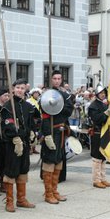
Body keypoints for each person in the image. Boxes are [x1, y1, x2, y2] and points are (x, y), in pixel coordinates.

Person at [1, 79, 37, 212]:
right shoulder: (8, 106)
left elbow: (31, 122)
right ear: (13, 89)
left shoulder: (28, 106)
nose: (20, 90)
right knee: (11, 170)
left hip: (25, 141)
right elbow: (7, 124)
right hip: (13, 143)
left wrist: (33, 132)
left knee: (23, 169)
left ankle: (21, 199)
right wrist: (15, 138)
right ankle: (9, 201)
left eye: (22, 88)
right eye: (18, 88)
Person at [40, 70, 73, 204]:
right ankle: (48, 193)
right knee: (49, 161)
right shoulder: (46, 96)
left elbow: (68, 111)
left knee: (59, 160)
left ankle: (54, 190)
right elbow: (45, 117)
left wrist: (60, 106)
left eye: (59, 78)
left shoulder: (65, 95)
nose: (57, 81)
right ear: (51, 80)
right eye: (54, 78)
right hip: (51, 132)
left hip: (61, 131)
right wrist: (47, 135)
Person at [88, 85, 110, 189]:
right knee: (97, 158)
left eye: (104, 93)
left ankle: (103, 178)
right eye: (101, 93)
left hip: (104, 133)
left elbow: (109, 120)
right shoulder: (93, 105)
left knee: (103, 157)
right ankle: (96, 180)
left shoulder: (103, 104)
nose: (103, 94)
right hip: (97, 133)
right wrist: (108, 112)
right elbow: (97, 119)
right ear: (97, 94)